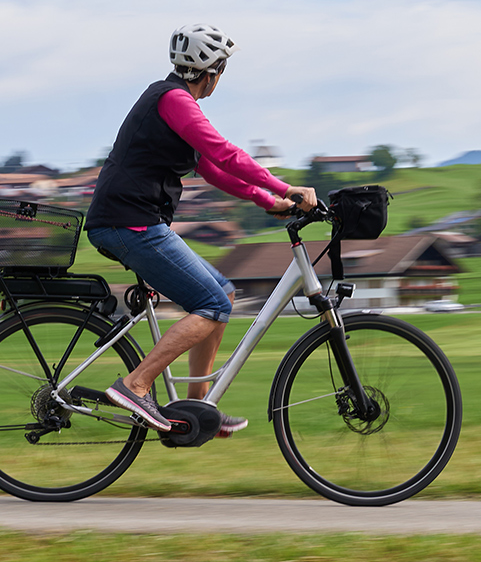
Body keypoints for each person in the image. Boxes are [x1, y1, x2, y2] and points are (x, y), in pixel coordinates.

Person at [84, 23, 317, 434]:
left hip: (136, 221)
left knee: (222, 292)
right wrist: (285, 186)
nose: (220, 79)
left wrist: (269, 201)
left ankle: (196, 408)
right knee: (213, 305)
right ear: (209, 71)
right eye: (221, 70)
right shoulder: (174, 100)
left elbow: (211, 168)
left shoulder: (173, 102)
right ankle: (136, 384)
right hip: (129, 223)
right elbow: (224, 153)